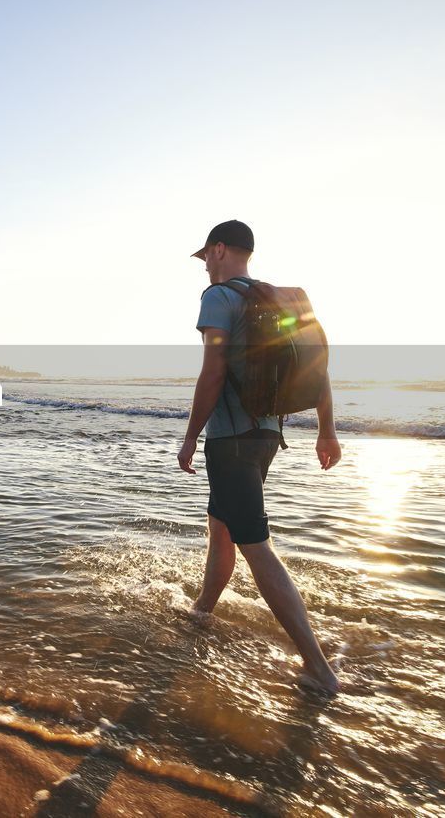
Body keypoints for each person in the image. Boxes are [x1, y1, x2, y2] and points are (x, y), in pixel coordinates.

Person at [177, 219, 345, 695]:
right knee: (222, 525)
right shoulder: (279, 300)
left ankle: (317, 666)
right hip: (267, 435)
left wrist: (190, 437)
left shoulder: (220, 298)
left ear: (220, 249)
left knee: (255, 544)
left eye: (206, 256)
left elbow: (212, 373)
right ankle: (201, 612)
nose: (205, 265)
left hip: (230, 440)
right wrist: (326, 431)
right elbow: (318, 369)